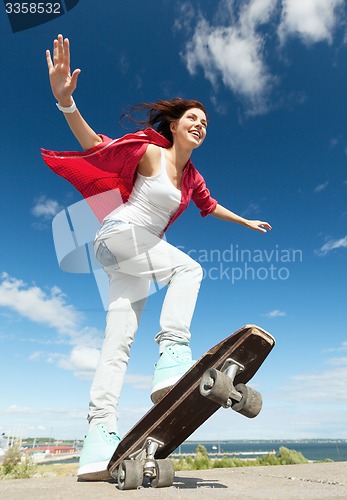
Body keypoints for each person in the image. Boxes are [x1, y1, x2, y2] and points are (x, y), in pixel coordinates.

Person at [42, 34, 272, 480]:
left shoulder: (192, 178)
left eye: (206, 121)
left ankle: (97, 439)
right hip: (121, 235)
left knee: (118, 341)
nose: (200, 124)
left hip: (135, 259)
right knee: (189, 269)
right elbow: (95, 145)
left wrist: (245, 222)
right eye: (193, 117)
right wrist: (66, 103)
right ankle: (171, 356)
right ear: (174, 123)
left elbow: (211, 206)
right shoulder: (151, 152)